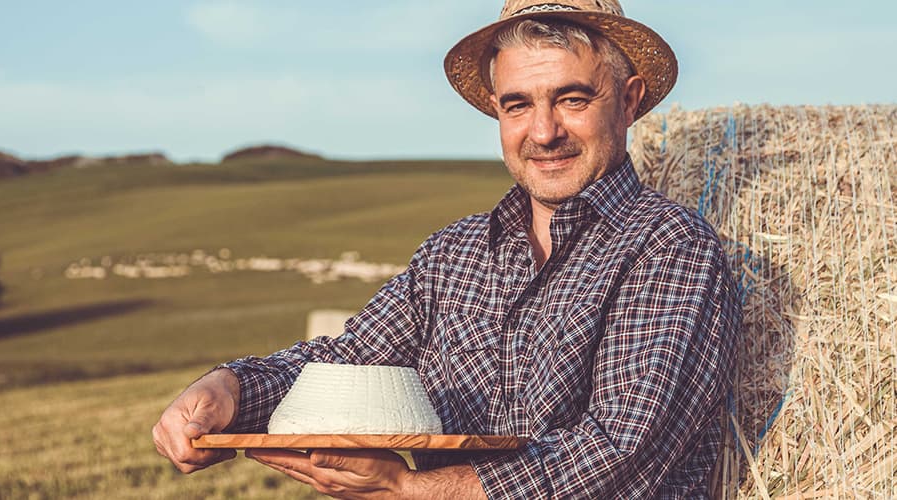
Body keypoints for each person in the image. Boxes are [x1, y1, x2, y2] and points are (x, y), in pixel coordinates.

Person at [153, 1, 741, 497]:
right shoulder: (450, 256)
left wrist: (415, 490)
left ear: (630, 100)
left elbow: (624, 449)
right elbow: (343, 367)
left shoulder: (670, 247)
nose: (542, 131)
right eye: (517, 105)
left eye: (573, 99)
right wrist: (228, 390)